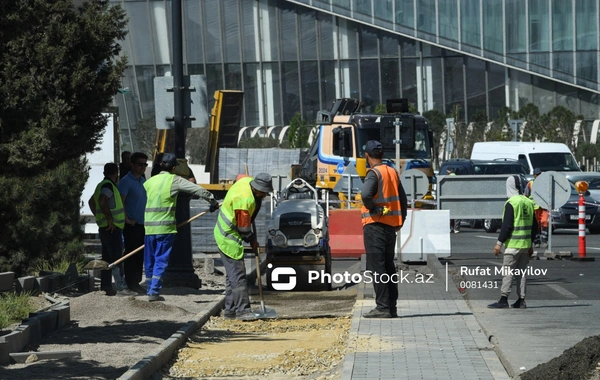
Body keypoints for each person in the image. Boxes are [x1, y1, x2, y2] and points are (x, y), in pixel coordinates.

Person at [143, 153, 219, 302]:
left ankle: (149, 288)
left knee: (149, 261)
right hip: (165, 229)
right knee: (160, 260)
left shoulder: (149, 182)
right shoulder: (174, 180)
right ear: (173, 168)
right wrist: (212, 201)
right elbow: (197, 190)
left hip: (149, 228)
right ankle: (154, 291)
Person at [214, 173, 273, 321]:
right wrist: (252, 240)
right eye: (263, 192)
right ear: (257, 189)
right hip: (228, 237)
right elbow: (244, 229)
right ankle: (243, 311)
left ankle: (230, 311)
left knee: (232, 277)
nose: (265, 195)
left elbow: (240, 176)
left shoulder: (246, 181)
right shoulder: (244, 201)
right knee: (238, 276)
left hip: (227, 232)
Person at [360, 140, 407, 318]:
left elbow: (365, 194)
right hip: (390, 228)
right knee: (388, 267)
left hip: (374, 226)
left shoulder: (374, 173)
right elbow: (402, 199)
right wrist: (401, 220)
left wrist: (372, 208)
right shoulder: (392, 172)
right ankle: (391, 307)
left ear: (367, 155)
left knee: (377, 268)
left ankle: (382, 308)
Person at [488, 175, 538, 309]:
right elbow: (535, 227)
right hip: (525, 246)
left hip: (512, 246)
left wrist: (499, 243)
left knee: (508, 272)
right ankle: (521, 300)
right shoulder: (528, 202)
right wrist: (531, 245)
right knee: (521, 274)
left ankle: (504, 299)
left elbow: (507, 226)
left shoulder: (511, 203)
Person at [88, 163, 137, 297]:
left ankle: (107, 287)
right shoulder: (108, 186)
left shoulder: (101, 185)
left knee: (107, 259)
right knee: (116, 258)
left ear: (104, 173)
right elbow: (103, 201)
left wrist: (99, 217)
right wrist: (109, 219)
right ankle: (121, 287)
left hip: (106, 227)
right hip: (111, 228)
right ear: (116, 173)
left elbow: (91, 202)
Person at [117, 152, 148, 294]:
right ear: (132, 164)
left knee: (139, 254)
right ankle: (130, 283)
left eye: (145, 164)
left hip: (142, 224)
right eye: (140, 164)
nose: (143, 167)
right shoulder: (125, 181)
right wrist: (126, 219)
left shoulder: (142, 181)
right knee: (131, 254)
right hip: (131, 225)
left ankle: (136, 282)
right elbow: (120, 202)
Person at [524, 168, 549, 248]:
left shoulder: (545, 184)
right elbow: (526, 196)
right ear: (534, 175)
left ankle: (544, 240)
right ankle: (536, 241)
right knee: (536, 224)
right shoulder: (530, 184)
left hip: (543, 207)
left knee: (545, 222)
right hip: (534, 208)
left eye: (539, 174)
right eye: (537, 175)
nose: (538, 176)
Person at [447, 167, 461, 233]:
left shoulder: (446, 178)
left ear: (448, 171)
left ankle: (449, 228)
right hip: (457, 198)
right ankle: (456, 228)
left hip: (448, 198)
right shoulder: (458, 178)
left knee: (449, 213)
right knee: (457, 213)